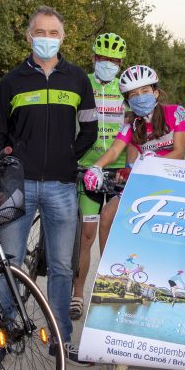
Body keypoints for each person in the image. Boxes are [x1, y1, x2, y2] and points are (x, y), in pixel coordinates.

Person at [0, 5, 96, 365]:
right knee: (11, 262)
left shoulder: (78, 79)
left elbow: (90, 129)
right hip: (17, 187)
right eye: (40, 32)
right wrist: (3, 173)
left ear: (63, 38)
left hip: (62, 187)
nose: (46, 39)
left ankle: (61, 339)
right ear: (28, 35)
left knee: (63, 267)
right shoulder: (10, 82)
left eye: (53, 33)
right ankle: (6, 335)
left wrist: (69, 156)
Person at [73, 32, 130, 321]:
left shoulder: (126, 89)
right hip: (88, 169)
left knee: (111, 235)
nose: (108, 63)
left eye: (114, 60)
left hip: (118, 170)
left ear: (121, 63)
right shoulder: (83, 84)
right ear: (94, 58)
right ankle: (77, 293)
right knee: (86, 235)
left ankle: (106, 293)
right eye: (103, 58)